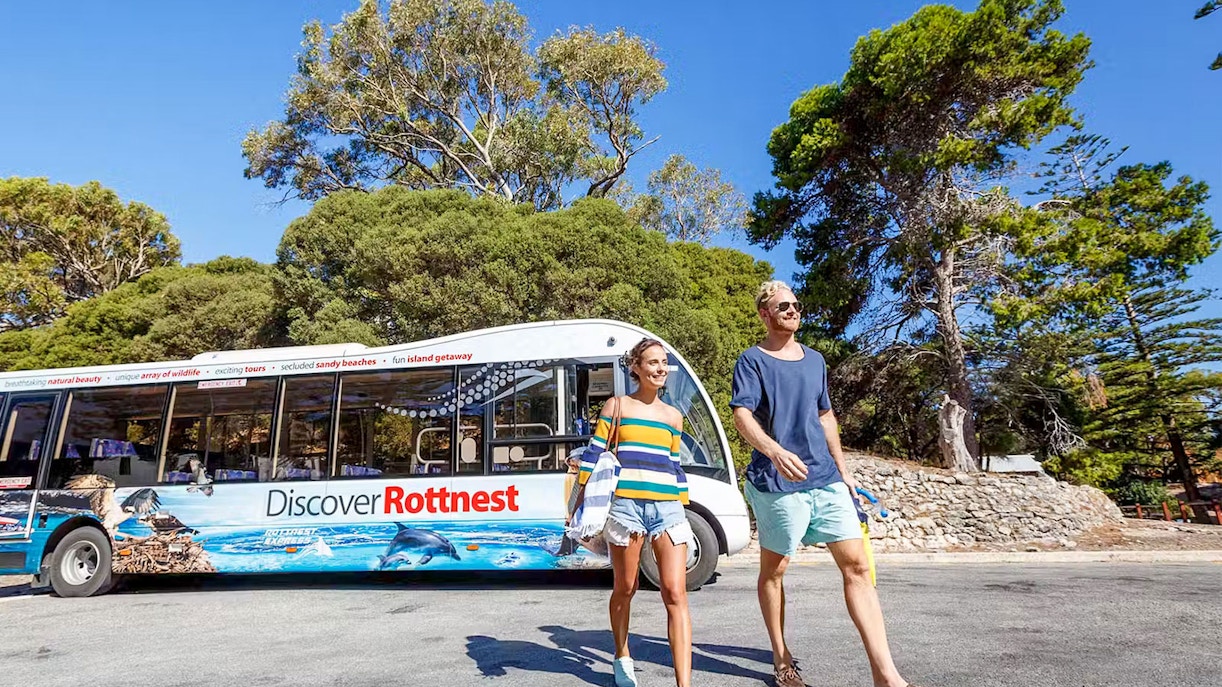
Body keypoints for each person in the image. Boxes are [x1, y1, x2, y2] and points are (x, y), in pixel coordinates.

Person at [731, 280, 922, 687]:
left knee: (857, 567)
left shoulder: (815, 360)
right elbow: (742, 416)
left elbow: (825, 416)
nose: (793, 310)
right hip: (778, 482)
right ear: (765, 314)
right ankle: (782, 660)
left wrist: (844, 471)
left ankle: (885, 674)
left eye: (796, 305)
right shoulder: (752, 361)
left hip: (825, 477)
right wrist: (773, 451)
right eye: (783, 306)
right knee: (775, 571)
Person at [575, 337, 694, 687]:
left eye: (664, 363)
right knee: (626, 587)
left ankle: (684, 684)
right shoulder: (617, 407)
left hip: (668, 509)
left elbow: (675, 466)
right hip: (626, 508)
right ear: (636, 368)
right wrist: (578, 505)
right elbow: (594, 456)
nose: (660, 368)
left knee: (675, 592)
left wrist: (682, 506)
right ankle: (622, 654)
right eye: (653, 362)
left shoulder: (674, 416)